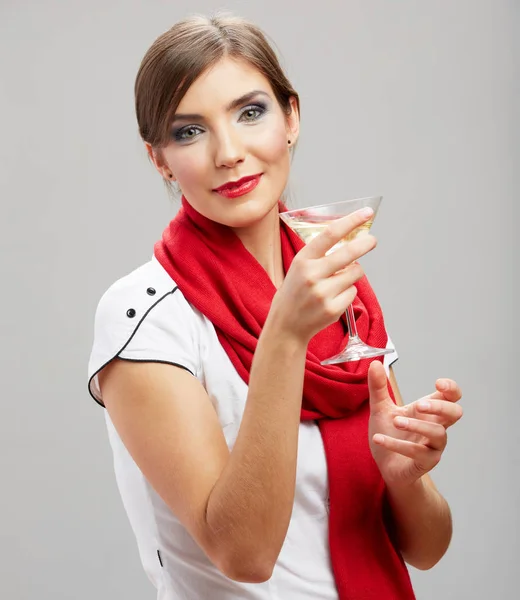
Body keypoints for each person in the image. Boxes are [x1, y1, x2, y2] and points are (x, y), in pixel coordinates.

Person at [87, 12, 463, 600]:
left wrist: (404, 478)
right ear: (159, 158)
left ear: (291, 118)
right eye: (189, 131)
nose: (229, 152)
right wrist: (285, 337)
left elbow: (427, 549)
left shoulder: (341, 289)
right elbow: (244, 553)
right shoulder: (145, 316)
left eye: (250, 112)